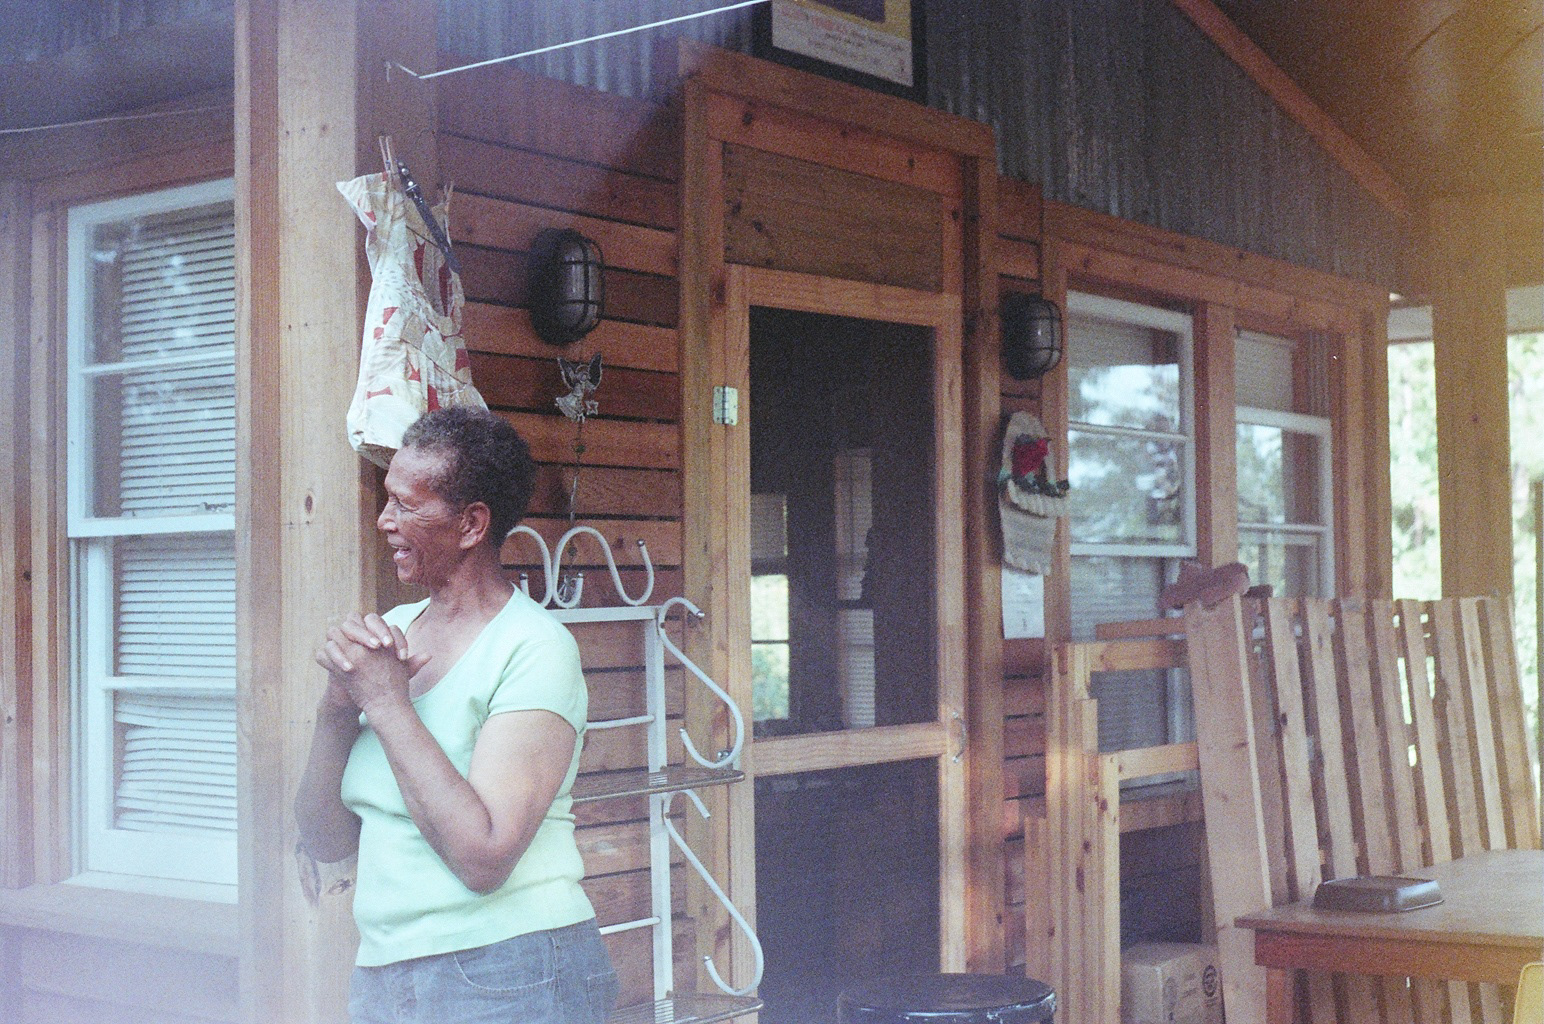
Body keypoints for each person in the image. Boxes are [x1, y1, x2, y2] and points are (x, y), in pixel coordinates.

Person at [294, 407, 617, 1024]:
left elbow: (484, 858)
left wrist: (385, 703)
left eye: (405, 505)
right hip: (386, 973)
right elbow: (324, 839)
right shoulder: (391, 637)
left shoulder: (534, 648)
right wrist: (336, 709)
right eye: (387, 499)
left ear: (471, 524)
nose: (385, 520)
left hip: (513, 968)